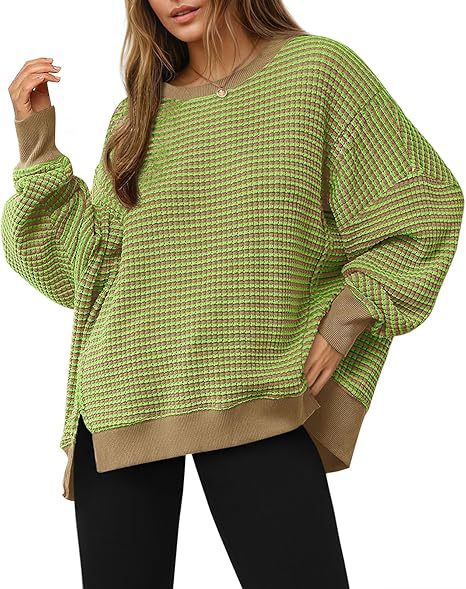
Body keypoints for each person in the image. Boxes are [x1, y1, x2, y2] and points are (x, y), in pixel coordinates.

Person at [2, 1, 463, 587]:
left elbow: (423, 203)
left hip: (256, 387)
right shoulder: (137, 115)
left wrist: (344, 320)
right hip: (121, 397)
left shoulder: (317, 72)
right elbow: (84, 270)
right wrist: (37, 143)